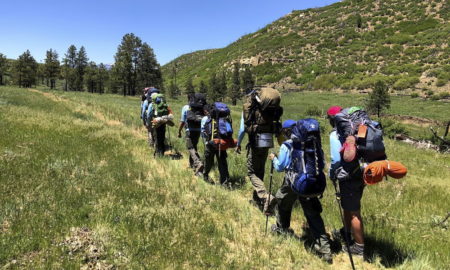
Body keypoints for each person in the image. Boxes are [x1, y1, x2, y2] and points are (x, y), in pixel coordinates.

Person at [269, 119, 332, 263]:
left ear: (286, 131)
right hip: (310, 181)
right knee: (313, 215)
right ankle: (325, 248)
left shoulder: (287, 145)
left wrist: (273, 158)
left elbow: (279, 167)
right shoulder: (312, 144)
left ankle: (282, 228)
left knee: (282, 200)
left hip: (293, 182)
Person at [236, 88, 282, 215]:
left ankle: (265, 197)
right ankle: (258, 200)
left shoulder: (252, 110)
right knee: (260, 169)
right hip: (267, 140)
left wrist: (238, 143)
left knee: (251, 172)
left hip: (256, 141)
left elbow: (242, 129)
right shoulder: (269, 111)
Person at [327, 105, 365, 257]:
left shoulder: (336, 135)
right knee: (348, 205)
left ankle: (358, 247)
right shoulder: (358, 131)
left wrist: (332, 174)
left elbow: (336, 160)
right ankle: (346, 231)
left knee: (354, 211)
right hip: (362, 172)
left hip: (348, 175)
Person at [201, 104, 232, 185]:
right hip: (222, 143)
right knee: (222, 162)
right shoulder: (225, 119)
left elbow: (204, 132)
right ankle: (225, 182)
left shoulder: (209, 119)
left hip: (211, 143)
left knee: (208, 161)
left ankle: (205, 176)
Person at [178, 93, 205, 176]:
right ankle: (192, 165)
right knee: (194, 146)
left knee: (190, 147)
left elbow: (182, 121)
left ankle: (197, 163)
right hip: (198, 130)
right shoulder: (200, 108)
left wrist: (179, 131)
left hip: (189, 130)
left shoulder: (186, 107)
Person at [146, 91, 174, 157]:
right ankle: (162, 151)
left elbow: (149, 115)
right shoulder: (164, 104)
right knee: (162, 136)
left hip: (156, 123)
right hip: (163, 122)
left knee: (156, 137)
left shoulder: (152, 105)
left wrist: (149, 123)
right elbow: (169, 112)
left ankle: (158, 153)